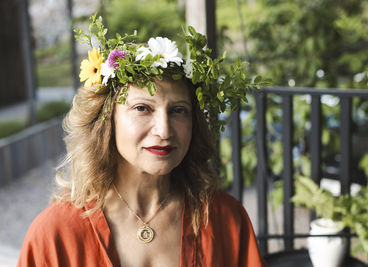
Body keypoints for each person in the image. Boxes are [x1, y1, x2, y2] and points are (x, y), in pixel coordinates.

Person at [17, 14, 267, 267]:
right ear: (107, 121)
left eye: (178, 110)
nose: (164, 130)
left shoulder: (225, 220)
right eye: (142, 108)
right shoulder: (55, 233)